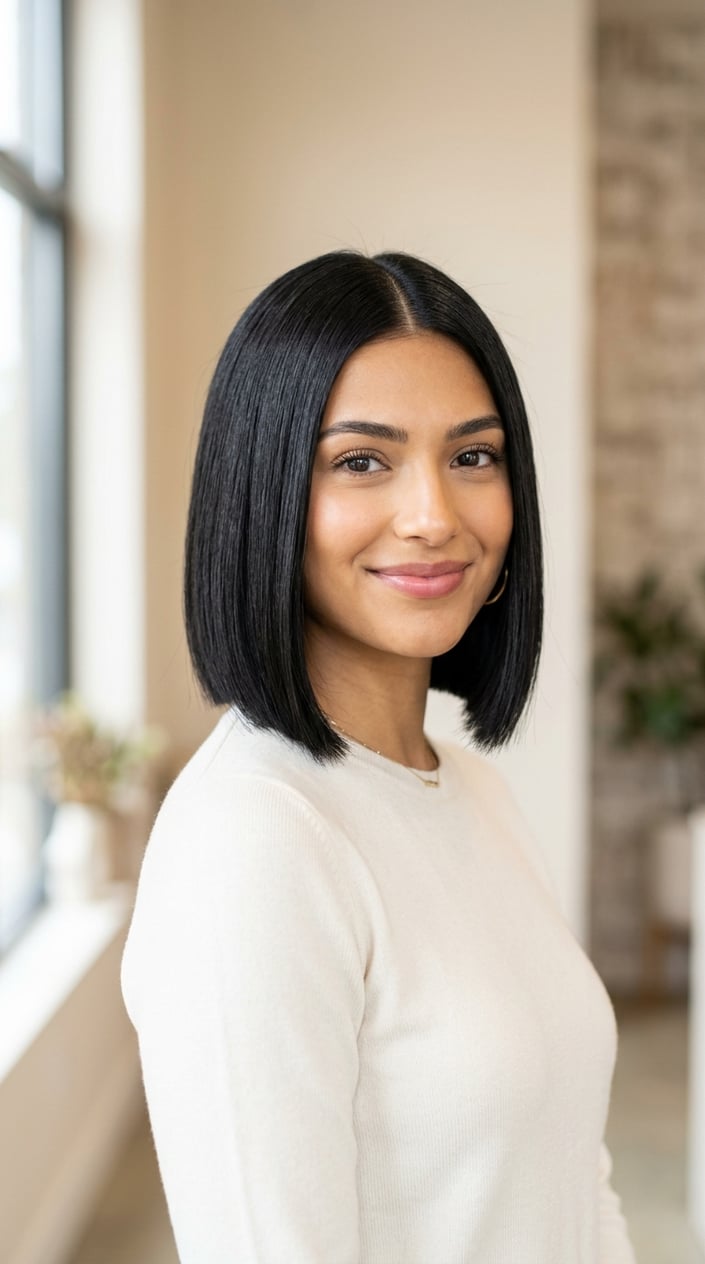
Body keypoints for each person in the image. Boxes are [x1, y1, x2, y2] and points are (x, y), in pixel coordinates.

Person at [121, 250, 636, 1263]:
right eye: (361, 461)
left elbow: (576, 1175)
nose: (434, 515)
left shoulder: (470, 787)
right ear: (265, 494)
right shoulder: (252, 842)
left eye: (473, 457)